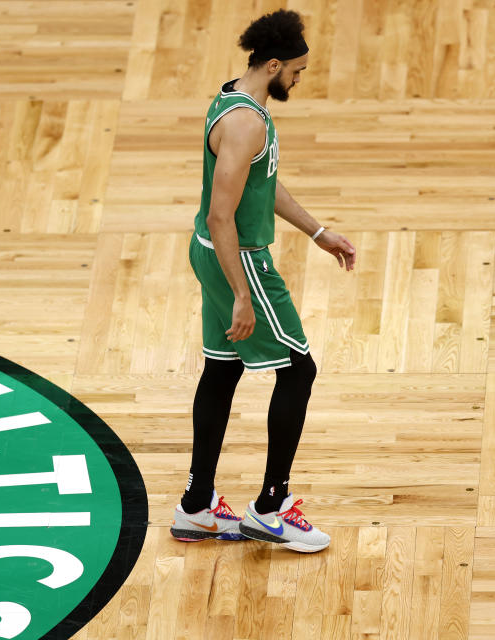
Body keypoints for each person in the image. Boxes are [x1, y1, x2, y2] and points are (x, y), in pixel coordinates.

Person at [169, 9, 356, 553]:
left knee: (222, 371)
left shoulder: (231, 98)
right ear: (273, 64)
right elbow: (221, 216)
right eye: (295, 71)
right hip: (238, 257)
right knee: (299, 372)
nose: (298, 79)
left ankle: (197, 507)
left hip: (209, 254)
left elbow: (260, 184)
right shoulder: (248, 122)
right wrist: (244, 296)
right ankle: (271, 508)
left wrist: (317, 231)